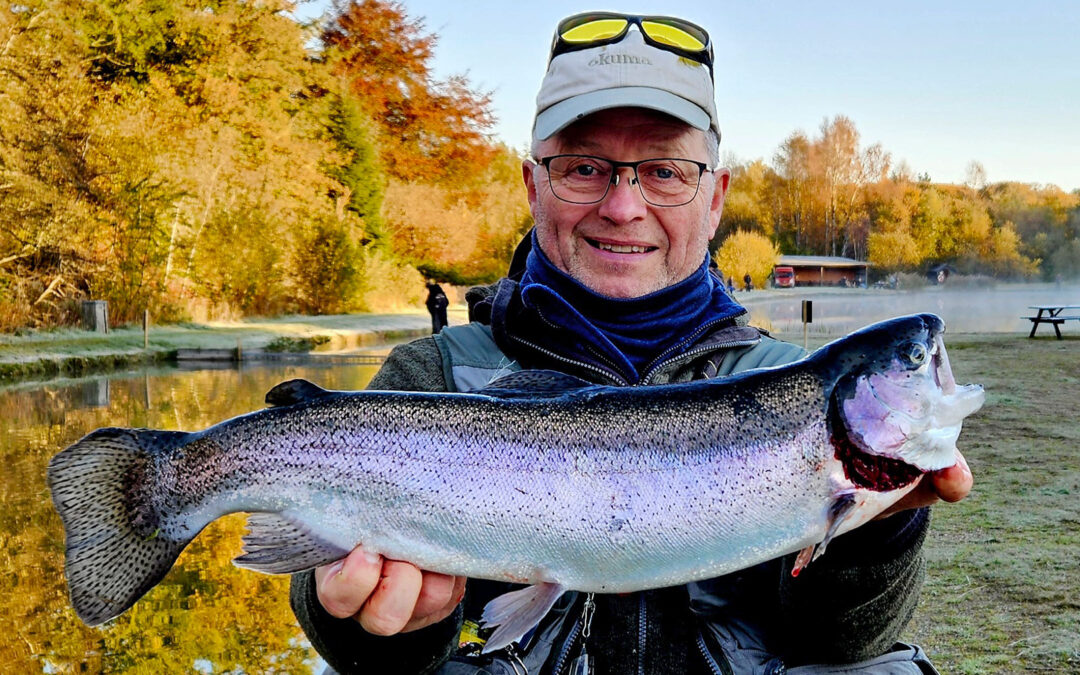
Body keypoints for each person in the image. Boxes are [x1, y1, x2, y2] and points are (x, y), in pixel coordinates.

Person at [290, 11, 972, 674]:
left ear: (716, 197)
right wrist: (377, 628)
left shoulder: (786, 382)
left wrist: (872, 529)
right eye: (584, 167)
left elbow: (841, 643)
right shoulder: (429, 374)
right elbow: (355, 636)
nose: (623, 206)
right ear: (533, 185)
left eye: (665, 171)